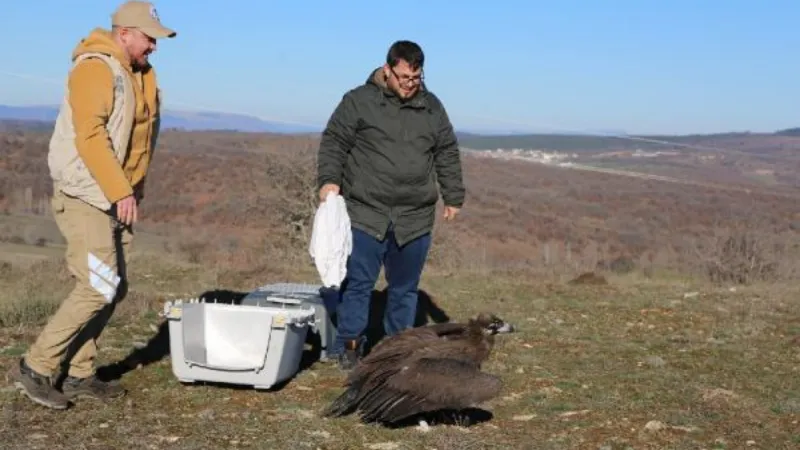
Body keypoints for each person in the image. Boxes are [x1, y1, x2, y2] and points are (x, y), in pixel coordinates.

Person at [8, 1, 176, 409]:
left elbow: (136, 141)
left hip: (117, 196)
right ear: (124, 34)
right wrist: (119, 189)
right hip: (87, 194)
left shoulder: (139, 75)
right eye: (148, 37)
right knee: (98, 285)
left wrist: (131, 190)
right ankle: (36, 367)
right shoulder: (95, 68)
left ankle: (81, 374)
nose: (154, 45)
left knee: (112, 288)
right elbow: (90, 136)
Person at [317, 40, 466, 370]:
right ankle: (350, 345)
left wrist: (453, 195)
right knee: (358, 283)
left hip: (414, 216)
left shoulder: (432, 107)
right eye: (403, 77)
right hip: (366, 211)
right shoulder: (359, 101)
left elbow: (447, 151)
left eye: (416, 78)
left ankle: (397, 351)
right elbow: (334, 142)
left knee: (404, 289)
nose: (409, 85)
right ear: (387, 70)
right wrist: (329, 180)